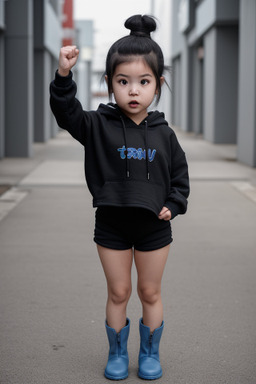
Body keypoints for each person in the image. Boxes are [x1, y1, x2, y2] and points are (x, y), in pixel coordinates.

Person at [50, 14, 189, 381]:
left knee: (149, 291)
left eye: (143, 82)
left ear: (156, 85)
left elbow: (180, 177)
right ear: (110, 83)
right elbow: (66, 115)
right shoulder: (97, 125)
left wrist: (173, 205)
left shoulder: (165, 134)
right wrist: (64, 76)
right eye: (123, 81)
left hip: (152, 227)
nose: (133, 90)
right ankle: (116, 353)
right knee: (118, 291)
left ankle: (148, 353)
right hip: (111, 223)